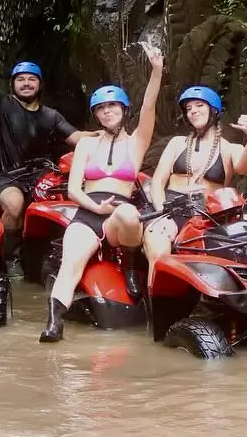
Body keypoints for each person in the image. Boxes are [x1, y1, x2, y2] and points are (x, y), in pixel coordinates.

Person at [40, 43, 163, 343]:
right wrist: (95, 210)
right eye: (101, 109)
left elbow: (149, 109)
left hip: (120, 215)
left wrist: (157, 71)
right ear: (96, 115)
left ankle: (132, 265)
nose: (107, 112)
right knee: (70, 263)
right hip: (89, 210)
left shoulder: (136, 143)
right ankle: (54, 324)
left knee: (128, 213)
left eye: (113, 107)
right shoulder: (86, 144)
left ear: (123, 110)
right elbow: (73, 189)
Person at [0, 33, 89, 275]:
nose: (26, 83)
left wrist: (107, 135)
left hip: (40, 177)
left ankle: (55, 259)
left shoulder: (51, 115)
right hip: (4, 177)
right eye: (20, 79)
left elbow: (77, 138)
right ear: (13, 84)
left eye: (31, 79)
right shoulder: (2, 104)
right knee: (15, 204)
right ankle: (5, 259)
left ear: (39, 84)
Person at [144, 86, 247, 272]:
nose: (193, 111)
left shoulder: (228, 148)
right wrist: (163, 213)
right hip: (173, 210)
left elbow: (243, 165)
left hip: (211, 215)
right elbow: (157, 183)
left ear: (214, 110)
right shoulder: (177, 143)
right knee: (158, 247)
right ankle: (157, 296)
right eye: (189, 108)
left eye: (199, 105)